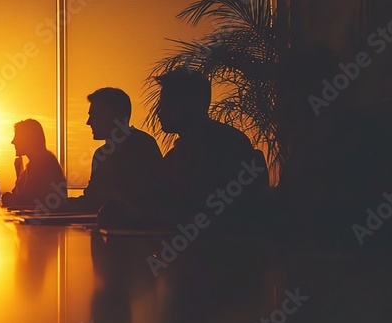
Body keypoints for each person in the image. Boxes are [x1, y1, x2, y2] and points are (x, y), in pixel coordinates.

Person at [154, 68, 268, 218]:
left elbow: (221, 213)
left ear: (190, 104)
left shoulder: (227, 146)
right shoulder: (175, 155)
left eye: (166, 104)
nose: (159, 112)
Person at [68, 87, 163, 212]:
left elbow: (146, 202)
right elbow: (92, 199)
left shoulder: (140, 148)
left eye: (94, 116)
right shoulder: (102, 154)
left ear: (110, 117)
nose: (88, 122)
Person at [1, 119, 66, 208]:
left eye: (17, 137)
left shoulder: (43, 163)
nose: (13, 141)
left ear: (28, 139)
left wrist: (8, 197)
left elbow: (29, 200)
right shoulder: (39, 162)